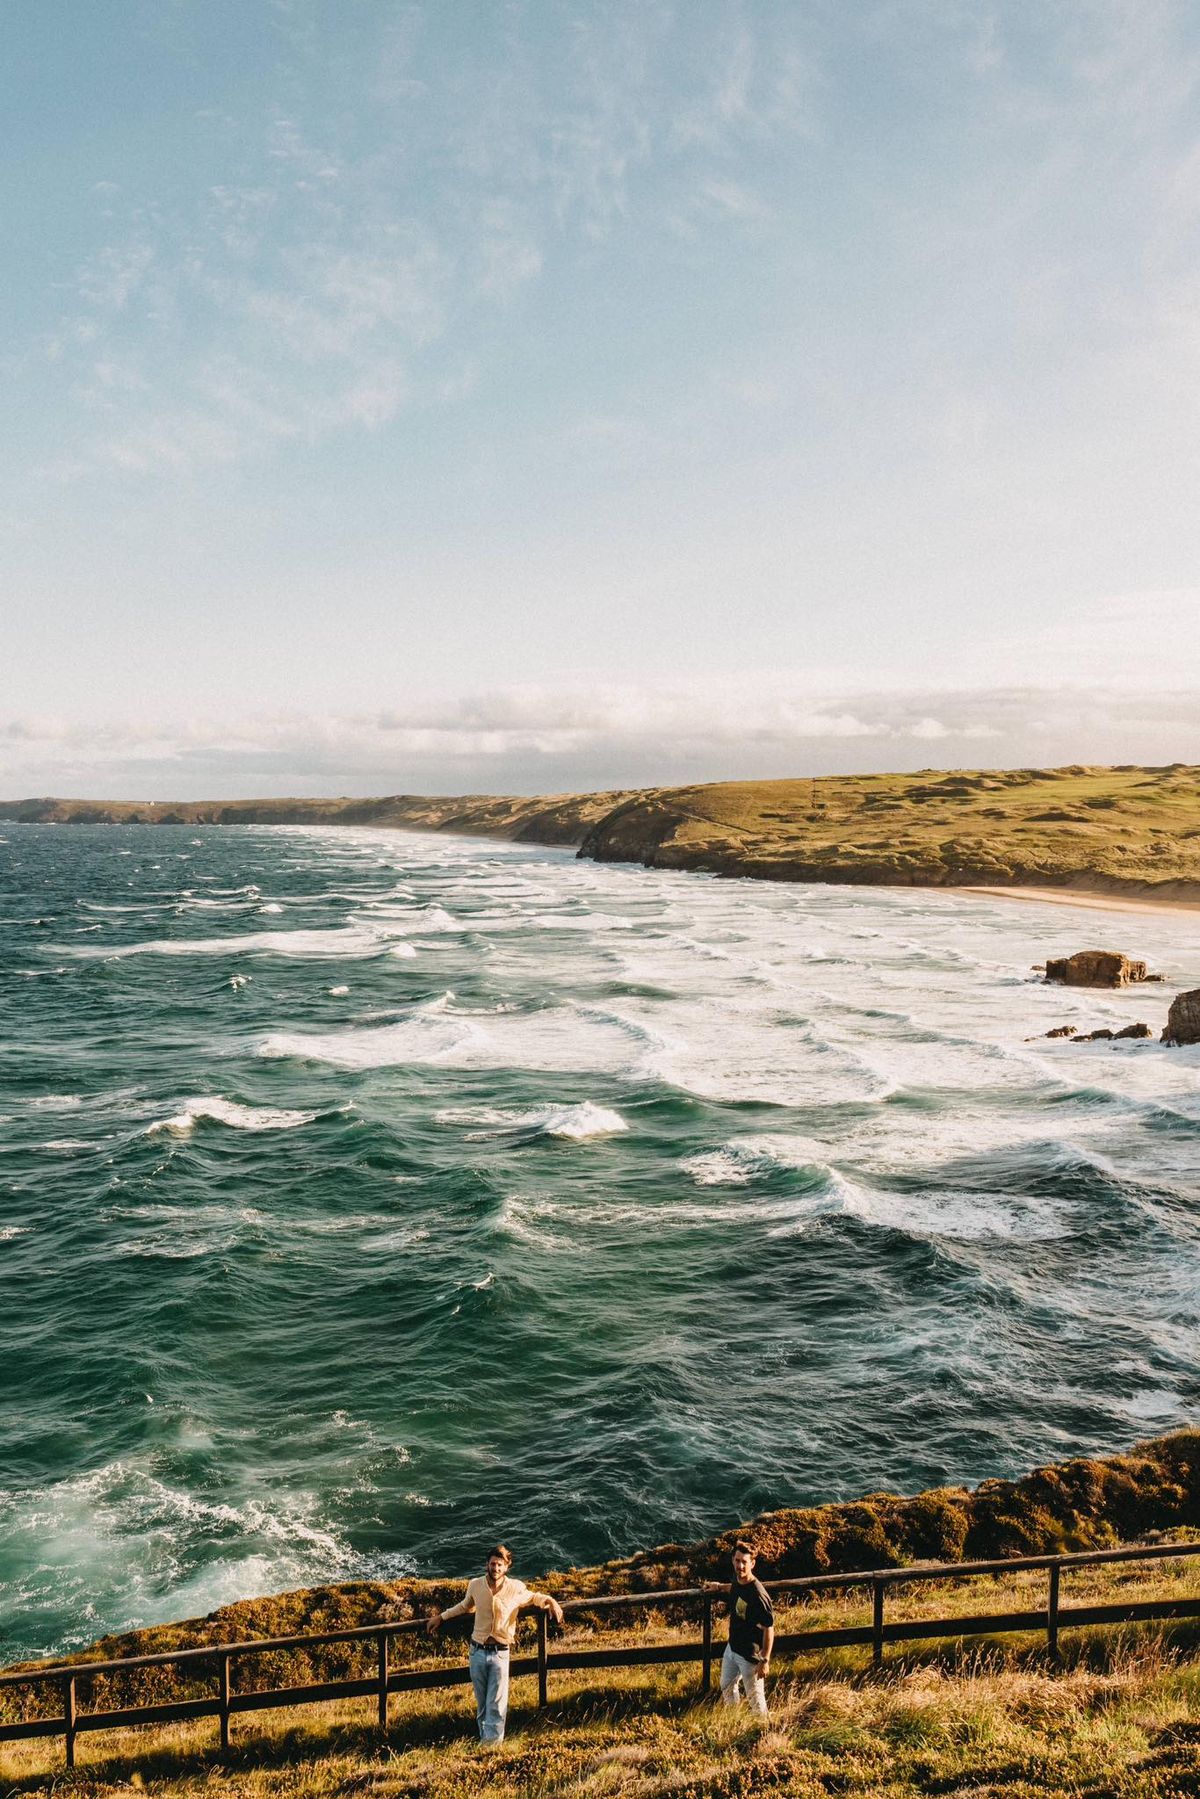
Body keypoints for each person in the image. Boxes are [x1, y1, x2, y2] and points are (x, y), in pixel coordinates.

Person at [428, 1544, 564, 1744]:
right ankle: (486, 1743)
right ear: (487, 1565)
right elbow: (465, 1606)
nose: (496, 1568)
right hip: (477, 1651)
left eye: (500, 1565)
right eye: (493, 1564)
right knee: (483, 1704)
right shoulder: (475, 1585)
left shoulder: (515, 1588)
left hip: (500, 1653)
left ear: (506, 1567)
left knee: (497, 1705)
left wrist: (551, 1601)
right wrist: (441, 1616)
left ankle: (490, 1750)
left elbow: (534, 1597)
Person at [707, 1540, 774, 1717]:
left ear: (752, 1563)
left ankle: (764, 1733)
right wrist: (719, 1587)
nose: (740, 1565)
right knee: (727, 1685)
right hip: (732, 1647)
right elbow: (734, 1589)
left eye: (744, 1562)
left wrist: (764, 1660)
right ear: (732, 1560)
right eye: (737, 1561)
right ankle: (735, 1720)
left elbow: (769, 1628)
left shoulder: (758, 1594)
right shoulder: (738, 1581)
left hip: (750, 1656)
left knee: (756, 1699)